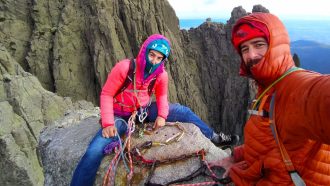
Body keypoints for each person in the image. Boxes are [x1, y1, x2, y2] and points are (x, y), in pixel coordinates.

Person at [70, 34, 239, 186]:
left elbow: (162, 97)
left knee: (183, 111)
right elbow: (107, 94)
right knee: (95, 150)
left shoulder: (161, 75)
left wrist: (161, 115)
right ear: (144, 51)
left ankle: (214, 137)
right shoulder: (124, 68)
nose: (154, 61)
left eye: (159, 58)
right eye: (152, 55)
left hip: (142, 112)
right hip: (119, 115)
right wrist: (107, 123)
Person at [212, 12, 330, 185]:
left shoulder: (295, 87)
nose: (251, 55)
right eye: (244, 49)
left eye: (259, 44)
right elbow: (272, 140)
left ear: (276, 45)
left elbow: (320, 96)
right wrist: (235, 156)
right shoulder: (270, 88)